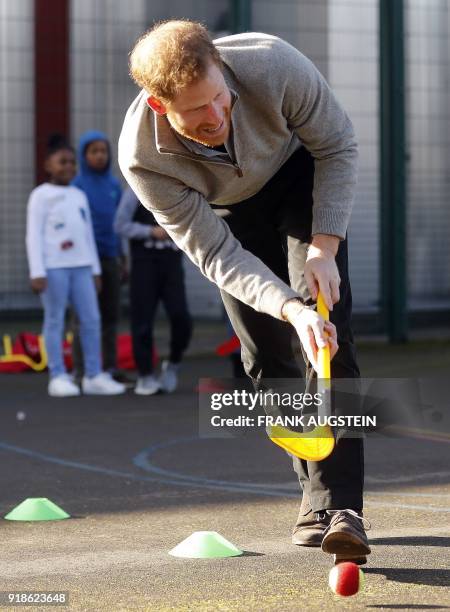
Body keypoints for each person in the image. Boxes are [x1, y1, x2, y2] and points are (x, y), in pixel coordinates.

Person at [118, 20, 369, 564]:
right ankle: (312, 493)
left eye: (219, 98)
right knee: (265, 353)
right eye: (196, 111)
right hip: (227, 218)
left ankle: (342, 505)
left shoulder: (272, 63)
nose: (216, 116)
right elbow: (214, 254)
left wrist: (324, 246)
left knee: (327, 331)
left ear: (222, 71)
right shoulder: (142, 157)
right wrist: (285, 307)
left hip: (300, 179)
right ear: (161, 108)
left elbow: (338, 145)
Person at [25, 134, 126, 397]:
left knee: (92, 319)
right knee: (55, 320)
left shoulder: (78, 195)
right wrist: (37, 271)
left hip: (82, 267)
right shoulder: (40, 196)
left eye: (71, 162)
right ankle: (57, 375)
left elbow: (86, 236)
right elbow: (33, 235)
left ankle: (93, 375)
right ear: (48, 165)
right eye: (62, 162)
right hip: (54, 268)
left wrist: (94, 270)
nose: (69, 167)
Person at [114, 186, 192, 394]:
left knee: (181, 317)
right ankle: (145, 375)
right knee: (142, 321)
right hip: (144, 263)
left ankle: (173, 363)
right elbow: (120, 225)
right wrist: (150, 231)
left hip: (172, 263)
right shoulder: (135, 189)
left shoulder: (180, 187)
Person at [72, 130, 129, 384]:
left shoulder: (113, 185)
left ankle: (109, 368)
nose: (99, 156)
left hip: (110, 259)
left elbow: (119, 225)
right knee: (84, 317)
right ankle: (81, 370)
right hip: (84, 262)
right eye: (93, 151)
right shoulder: (76, 187)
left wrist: (122, 258)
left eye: (103, 151)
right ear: (84, 156)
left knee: (110, 315)